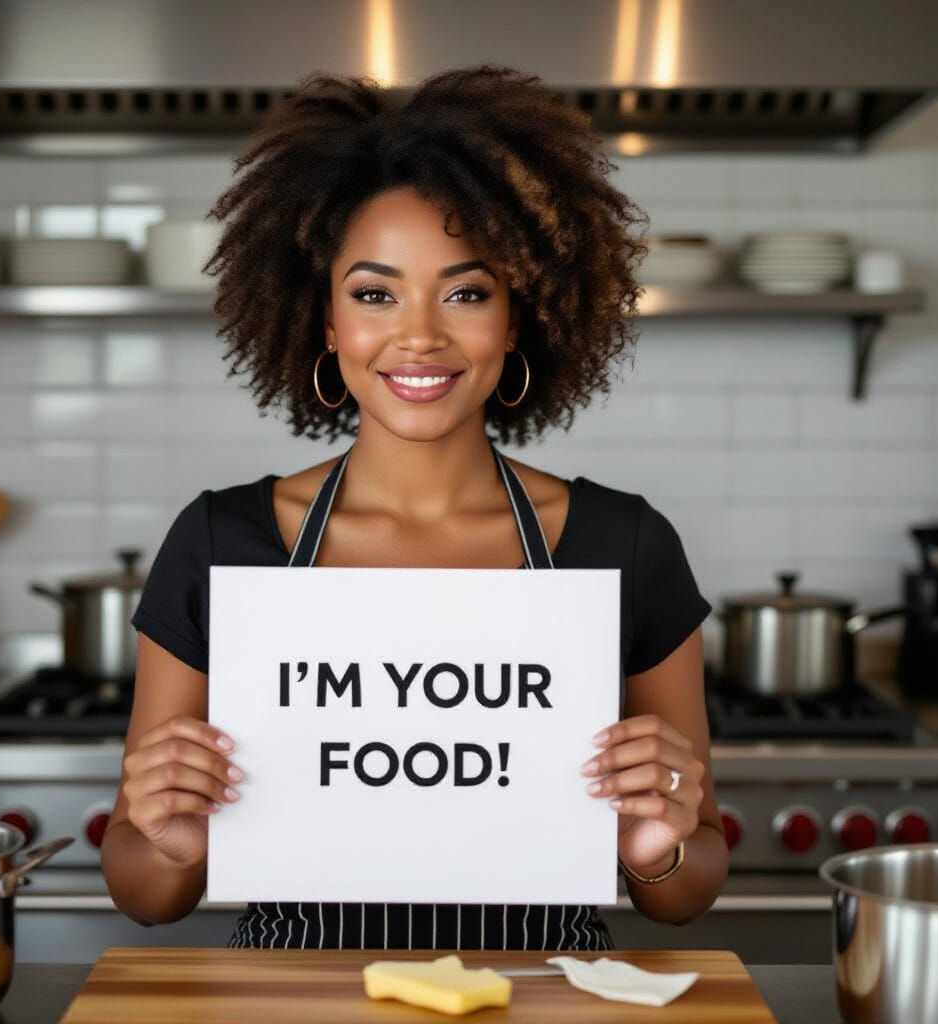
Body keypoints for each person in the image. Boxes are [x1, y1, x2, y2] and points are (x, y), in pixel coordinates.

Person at [100, 64, 728, 951]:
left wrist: (656, 842)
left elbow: (686, 893)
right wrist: (170, 842)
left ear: (518, 320)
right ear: (325, 320)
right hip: (293, 1005)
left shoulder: (625, 545)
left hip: (543, 1002)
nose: (420, 335)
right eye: (374, 293)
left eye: (467, 293)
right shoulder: (220, 543)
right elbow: (143, 895)